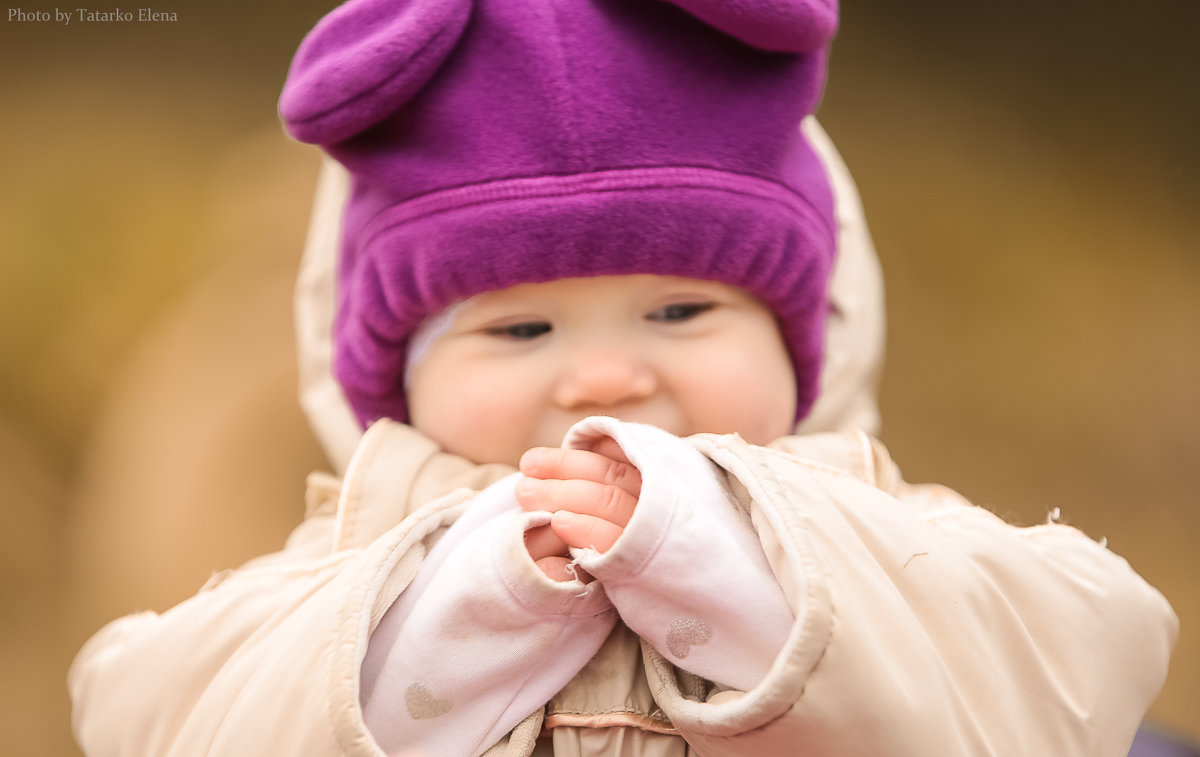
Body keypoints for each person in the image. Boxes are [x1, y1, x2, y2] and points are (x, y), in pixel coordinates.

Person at [68, 0, 1176, 755]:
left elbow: (1084, 666)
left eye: (682, 312)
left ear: (808, 340)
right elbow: (147, 706)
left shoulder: (883, 524)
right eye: (520, 330)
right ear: (399, 382)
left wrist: (734, 570)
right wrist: (455, 615)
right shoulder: (349, 560)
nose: (604, 376)